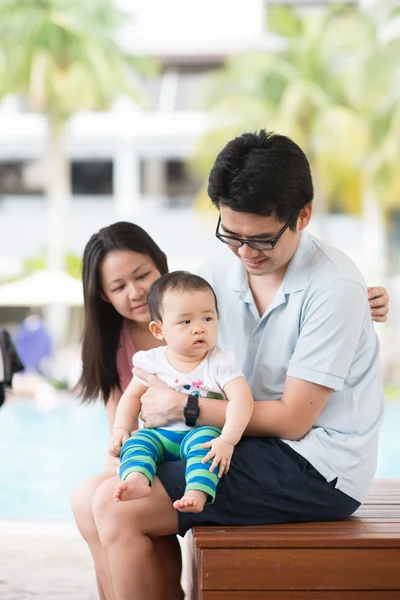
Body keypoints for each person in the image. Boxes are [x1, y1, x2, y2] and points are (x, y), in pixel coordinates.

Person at [71, 131, 390, 600]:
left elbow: (295, 421)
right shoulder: (217, 271)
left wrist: (186, 406)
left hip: (316, 465)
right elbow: (180, 339)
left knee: (118, 509)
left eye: (260, 240)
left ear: (303, 215)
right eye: (231, 235)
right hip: (244, 443)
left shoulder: (334, 287)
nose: (244, 253)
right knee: (91, 498)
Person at [109, 271, 253, 512]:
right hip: (160, 435)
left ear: (218, 318)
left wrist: (227, 440)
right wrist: (121, 429)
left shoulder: (220, 362)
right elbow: (131, 396)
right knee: (137, 441)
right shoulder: (151, 361)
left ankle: (196, 492)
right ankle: (137, 479)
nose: (198, 329)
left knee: (207, 447)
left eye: (207, 319)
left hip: (199, 433)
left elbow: (243, 401)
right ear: (158, 330)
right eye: (186, 322)